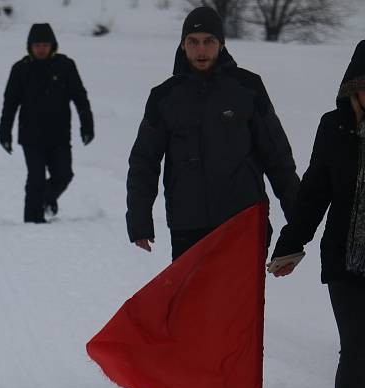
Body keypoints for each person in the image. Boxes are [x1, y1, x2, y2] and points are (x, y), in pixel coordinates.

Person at [126, 6, 299, 260]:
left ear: (221, 44)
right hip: (188, 227)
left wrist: (298, 220)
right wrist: (139, 219)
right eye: (193, 42)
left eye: (209, 41)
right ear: (183, 46)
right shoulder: (163, 97)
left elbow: (277, 157)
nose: (201, 49)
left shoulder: (248, 88)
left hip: (245, 221)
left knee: (240, 301)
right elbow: (144, 161)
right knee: (194, 302)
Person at [269, 40, 365, 388]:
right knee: (358, 352)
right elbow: (315, 191)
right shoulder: (334, 127)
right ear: (352, 87)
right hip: (346, 260)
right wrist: (291, 244)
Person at [0, 23, 94, 223]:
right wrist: (4, 132)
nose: (41, 48)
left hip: (59, 135)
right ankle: (32, 221)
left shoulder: (65, 66)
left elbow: (80, 97)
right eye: (37, 45)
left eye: (45, 44)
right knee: (36, 179)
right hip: (31, 136)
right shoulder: (20, 69)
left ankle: (46, 199)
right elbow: (10, 104)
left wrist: (87, 125)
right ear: (30, 46)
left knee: (64, 175)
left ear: (52, 45)